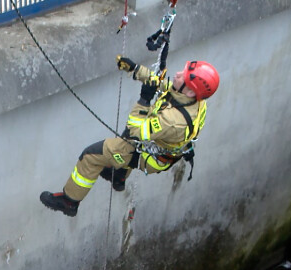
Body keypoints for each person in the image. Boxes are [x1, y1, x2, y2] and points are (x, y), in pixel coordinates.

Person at [40, 56, 220, 217]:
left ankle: (69, 201)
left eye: (183, 76)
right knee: (125, 143)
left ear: (190, 91)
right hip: (159, 147)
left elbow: (135, 130)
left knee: (91, 155)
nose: (178, 74)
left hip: (150, 157)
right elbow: (165, 87)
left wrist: (143, 100)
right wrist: (135, 70)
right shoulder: (193, 100)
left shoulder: (174, 121)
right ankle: (118, 177)